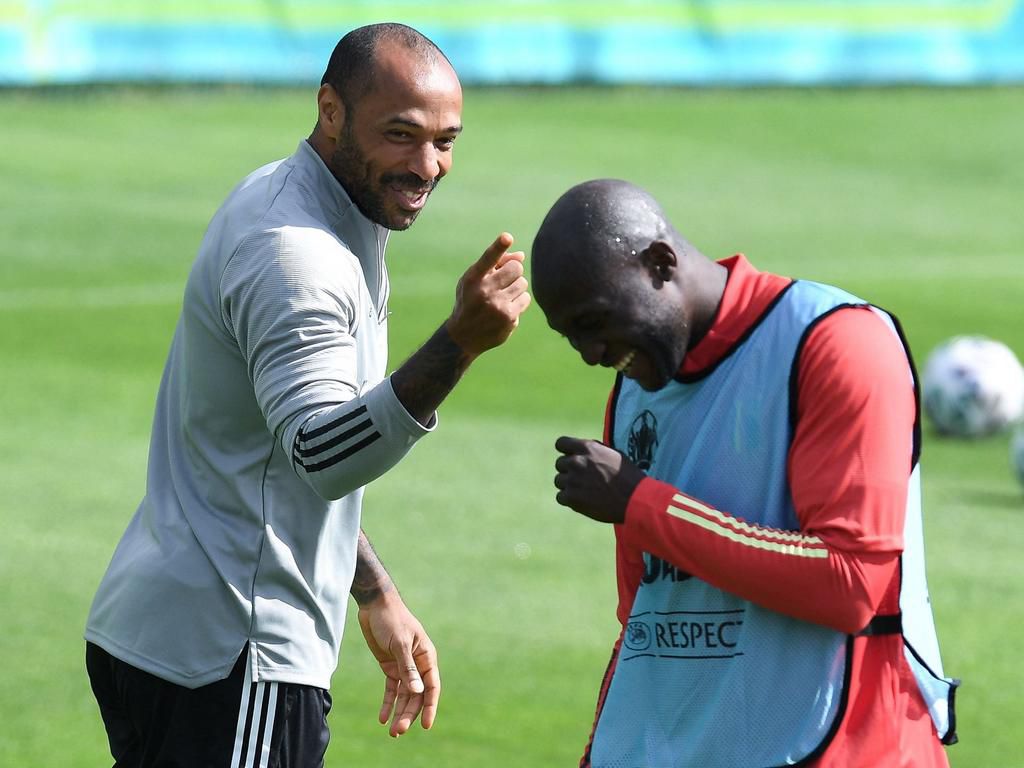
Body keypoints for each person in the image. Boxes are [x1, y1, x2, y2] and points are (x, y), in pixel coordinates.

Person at [84, 23, 531, 767]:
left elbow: (274, 447)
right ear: (331, 110)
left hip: (172, 637)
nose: (428, 165)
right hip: (234, 656)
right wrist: (460, 343)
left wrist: (375, 590)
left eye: (446, 140)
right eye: (401, 134)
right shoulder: (297, 252)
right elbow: (321, 453)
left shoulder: (298, 202)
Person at [530, 179, 957, 768]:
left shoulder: (835, 342)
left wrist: (641, 504)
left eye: (594, 321)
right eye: (570, 336)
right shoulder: (634, 394)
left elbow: (853, 582)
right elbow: (647, 620)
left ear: (661, 263)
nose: (590, 353)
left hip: (844, 748)